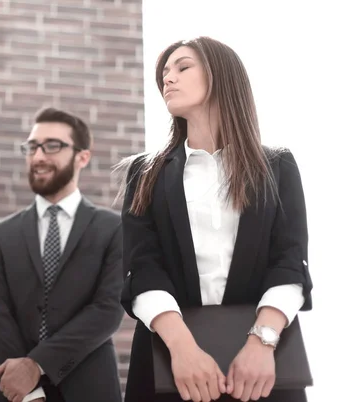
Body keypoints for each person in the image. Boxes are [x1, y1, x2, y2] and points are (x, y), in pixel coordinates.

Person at [117, 37, 313, 402]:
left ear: (221, 75)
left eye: (182, 67)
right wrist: (183, 350)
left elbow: (289, 262)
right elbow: (141, 268)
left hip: (262, 372)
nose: (167, 79)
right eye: (164, 73)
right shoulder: (144, 174)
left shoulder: (277, 166)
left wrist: (262, 343)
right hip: (169, 367)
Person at [0, 107, 124, 402]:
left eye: (52, 146)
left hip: (91, 387)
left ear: (83, 156)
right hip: (15, 392)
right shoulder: (1, 234)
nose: (38, 156)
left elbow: (107, 310)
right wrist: (27, 388)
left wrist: (37, 365)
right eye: (32, 147)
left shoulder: (113, 228)